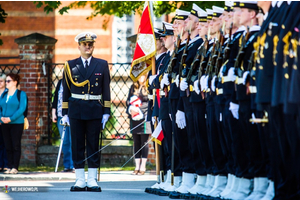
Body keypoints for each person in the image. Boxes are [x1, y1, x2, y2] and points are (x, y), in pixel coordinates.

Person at [61, 32, 111, 192]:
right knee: (77, 145)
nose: (87, 46)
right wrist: (64, 113)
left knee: (92, 144)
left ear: (93, 46)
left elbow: (106, 89)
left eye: (90, 44)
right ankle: (80, 179)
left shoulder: (102, 64)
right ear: (79, 46)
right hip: (76, 110)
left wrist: (106, 111)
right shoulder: (70, 65)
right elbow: (66, 91)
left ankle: (92, 179)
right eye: (84, 44)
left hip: (94, 109)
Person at [0, 73, 27, 174]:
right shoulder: (4, 95)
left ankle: (15, 167)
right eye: (6, 81)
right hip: (4, 123)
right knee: (7, 145)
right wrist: (1, 118)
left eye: (8, 81)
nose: (6, 83)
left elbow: (21, 109)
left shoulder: (21, 94)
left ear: (15, 82)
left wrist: (11, 118)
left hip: (16, 123)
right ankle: (9, 166)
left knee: (15, 145)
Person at [126, 75, 151, 175]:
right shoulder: (133, 87)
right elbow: (128, 100)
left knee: (144, 142)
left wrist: (140, 110)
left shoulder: (148, 87)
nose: (141, 77)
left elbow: (149, 102)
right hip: (134, 117)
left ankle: (143, 166)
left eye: (143, 75)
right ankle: (137, 166)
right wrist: (132, 109)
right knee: (136, 142)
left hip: (144, 118)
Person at [52, 78, 74, 172]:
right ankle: (67, 165)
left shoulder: (76, 81)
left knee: (73, 140)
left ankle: (74, 165)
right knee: (64, 141)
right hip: (61, 115)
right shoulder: (61, 82)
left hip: (73, 116)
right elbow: (56, 98)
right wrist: (53, 113)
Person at [0, 74, 8, 172]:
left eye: (1, 81)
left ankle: (6, 164)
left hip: (5, 122)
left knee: (6, 143)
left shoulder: (8, 93)